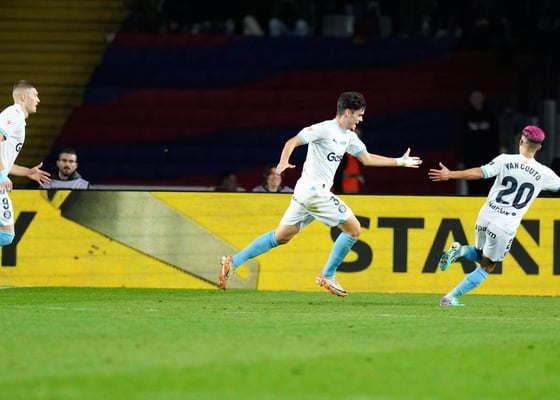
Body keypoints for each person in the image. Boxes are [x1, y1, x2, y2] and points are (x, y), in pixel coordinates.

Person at [220, 91, 422, 296]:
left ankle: (233, 261)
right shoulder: (324, 129)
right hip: (313, 192)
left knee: (281, 236)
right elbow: (292, 142)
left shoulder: (349, 137)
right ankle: (328, 274)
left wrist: (400, 161)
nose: (361, 119)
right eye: (359, 115)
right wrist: (283, 162)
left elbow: (367, 159)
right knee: (353, 229)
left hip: (306, 192)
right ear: (348, 112)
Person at [428, 125, 560, 306]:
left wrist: (451, 174)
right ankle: (450, 297)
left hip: (486, 216)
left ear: (521, 142)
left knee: (480, 253)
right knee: (488, 265)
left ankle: (460, 251)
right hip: (504, 225)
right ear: (539, 147)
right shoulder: (545, 174)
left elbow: (480, 172)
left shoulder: (504, 160)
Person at [0, 80, 51, 246]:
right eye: (35, 95)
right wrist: (1, 176)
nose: (38, 100)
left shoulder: (18, 119)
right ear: (24, 97)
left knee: (5, 235)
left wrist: (27, 172)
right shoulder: (14, 113)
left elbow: (5, 161)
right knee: (6, 235)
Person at [456, 89, 501, 195]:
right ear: (470, 99)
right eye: (474, 97)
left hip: (488, 159)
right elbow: (460, 139)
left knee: (488, 187)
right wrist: (460, 160)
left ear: (483, 98)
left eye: (478, 96)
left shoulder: (490, 115)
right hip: (470, 159)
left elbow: (495, 138)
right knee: (473, 188)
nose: (476, 99)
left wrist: (497, 159)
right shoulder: (464, 116)